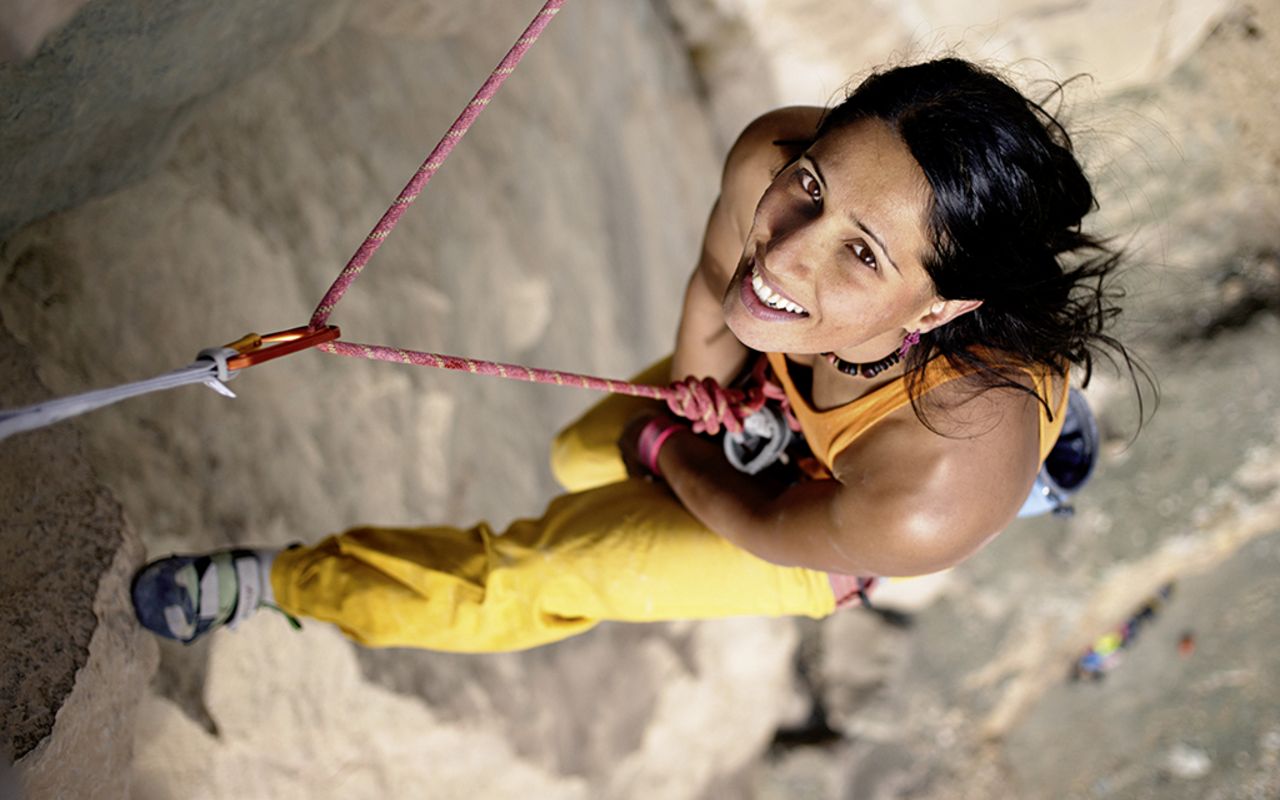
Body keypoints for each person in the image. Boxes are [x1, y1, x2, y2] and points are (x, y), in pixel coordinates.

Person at [132, 58, 1141, 652]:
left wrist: (670, 448)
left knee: (542, 564)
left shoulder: (936, 482)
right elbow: (723, 289)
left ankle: (277, 585)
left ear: (940, 306)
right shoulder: (767, 160)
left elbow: (760, 521)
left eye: (861, 253)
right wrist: (700, 389)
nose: (784, 249)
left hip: (807, 515)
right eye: (810, 186)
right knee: (578, 458)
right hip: (766, 396)